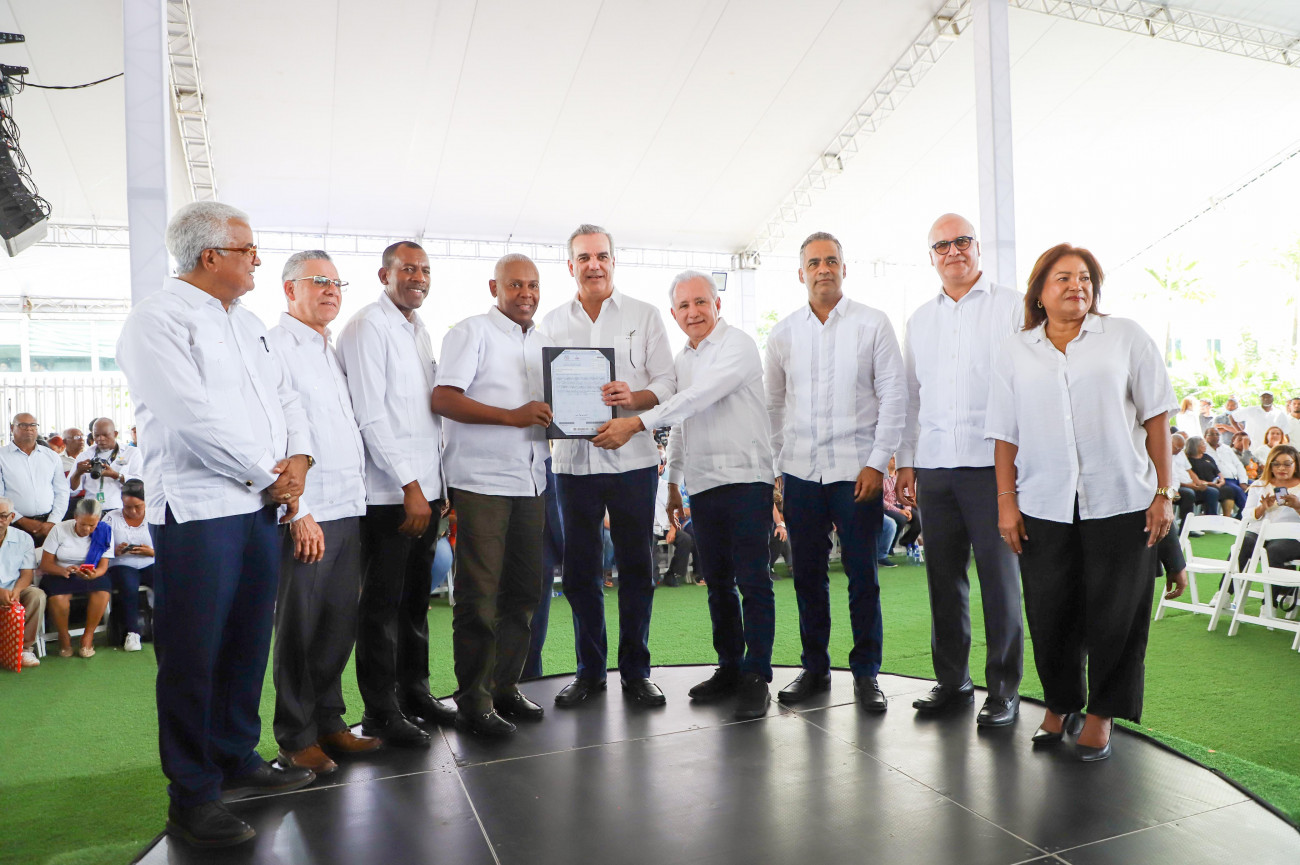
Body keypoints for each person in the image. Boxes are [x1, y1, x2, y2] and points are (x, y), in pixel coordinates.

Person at [116, 201, 316, 847]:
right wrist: (267, 474)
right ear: (211, 256)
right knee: (193, 654)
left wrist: (299, 458)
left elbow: (286, 396)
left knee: (247, 642)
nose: (257, 259)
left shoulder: (248, 322)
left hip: (258, 507)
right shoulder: (156, 320)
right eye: (248, 249)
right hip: (199, 510)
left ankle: (235, 756)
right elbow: (189, 416)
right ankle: (192, 794)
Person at [989, 243, 1175, 762]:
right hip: (1043, 503)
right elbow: (1004, 434)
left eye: (1086, 278)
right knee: (1050, 612)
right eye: (1064, 278)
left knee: (1117, 616)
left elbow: (1157, 417)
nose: (1077, 286)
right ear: (1039, 292)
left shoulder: (1125, 337)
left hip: (1121, 499)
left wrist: (1164, 492)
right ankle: (1061, 704)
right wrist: (1006, 502)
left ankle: (1101, 714)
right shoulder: (1015, 351)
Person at [595, 270, 776, 720]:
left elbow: (696, 399)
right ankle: (729, 667)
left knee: (753, 582)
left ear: (718, 305)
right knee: (718, 584)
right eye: (683, 306)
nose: (693, 312)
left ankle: (756, 675)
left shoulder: (738, 345)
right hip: (704, 484)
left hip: (747, 479)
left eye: (701, 302)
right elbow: (681, 421)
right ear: (673, 314)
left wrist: (636, 422)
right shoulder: (682, 358)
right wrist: (674, 481)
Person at [765, 231, 905, 712]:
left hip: (857, 473)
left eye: (831, 261)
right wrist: (778, 468)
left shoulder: (873, 323)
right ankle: (815, 669)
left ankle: (867, 674)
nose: (823, 269)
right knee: (807, 576)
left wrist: (876, 462)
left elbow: (893, 396)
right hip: (801, 472)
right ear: (800, 273)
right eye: (814, 262)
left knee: (863, 575)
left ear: (844, 268)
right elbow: (773, 405)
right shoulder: (783, 333)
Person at [540, 225, 677, 709]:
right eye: (583, 257)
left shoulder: (645, 314)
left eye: (601, 256)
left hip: (633, 459)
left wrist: (631, 398)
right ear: (570, 265)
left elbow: (667, 383)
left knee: (636, 567)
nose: (593, 264)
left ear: (613, 261)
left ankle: (636, 672)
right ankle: (590, 672)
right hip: (572, 463)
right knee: (580, 573)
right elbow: (541, 387)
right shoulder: (551, 322)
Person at [896, 213, 1025, 726]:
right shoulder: (919, 320)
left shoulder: (1012, 306)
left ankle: (1004, 691)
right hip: (934, 468)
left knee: (999, 581)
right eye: (942, 245)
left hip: (992, 467)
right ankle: (953, 683)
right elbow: (910, 397)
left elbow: (1027, 385)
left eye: (962, 241)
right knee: (943, 581)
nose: (953, 251)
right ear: (931, 257)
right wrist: (907, 461)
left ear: (978, 246)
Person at [337, 240, 455, 745]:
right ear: (384, 274)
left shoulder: (419, 329)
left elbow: (426, 418)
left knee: (414, 602)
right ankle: (381, 710)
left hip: (425, 491)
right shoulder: (368, 326)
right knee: (381, 608)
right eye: (408, 269)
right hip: (390, 495)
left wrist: (438, 488)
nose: (418, 278)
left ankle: (415, 693)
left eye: (425, 270)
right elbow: (370, 416)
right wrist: (410, 486)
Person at [430, 254, 552, 737]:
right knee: (479, 595)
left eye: (533, 285)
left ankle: (505, 687)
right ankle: (474, 701)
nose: (526, 293)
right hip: (481, 480)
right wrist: (511, 417)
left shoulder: (542, 342)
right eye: (515, 284)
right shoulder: (470, 332)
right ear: (493, 287)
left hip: (532, 479)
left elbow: (550, 409)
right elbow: (443, 398)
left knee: (524, 592)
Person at [267, 250, 378, 776]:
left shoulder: (329, 349)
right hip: (309, 512)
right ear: (290, 289)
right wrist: (298, 510)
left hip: (347, 505)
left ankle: (330, 721)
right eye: (319, 281)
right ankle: (295, 736)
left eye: (337, 282)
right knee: (301, 627)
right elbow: (280, 436)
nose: (332, 290)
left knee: (337, 624)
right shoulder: (274, 346)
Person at [38, 498, 113, 658]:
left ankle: (88, 636)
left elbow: (103, 566)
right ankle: (64, 637)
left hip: (89, 572)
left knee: (102, 592)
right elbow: (45, 564)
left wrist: (94, 574)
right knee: (58, 598)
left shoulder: (105, 531)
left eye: (92, 525)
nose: (87, 529)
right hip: (60, 573)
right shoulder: (59, 529)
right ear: (75, 517)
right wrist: (62, 570)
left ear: (98, 521)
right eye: (83, 524)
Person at [1234, 445, 1300, 607]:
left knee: (1274, 550)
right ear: (1270, 465)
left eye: (1287, 464)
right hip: (1259, 531)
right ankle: (1225, 594)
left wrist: (1298, 506)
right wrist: (1262, 508)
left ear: (1296, 464)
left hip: (1291, 536)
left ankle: (1270, 603)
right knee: (1244, 542)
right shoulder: (1260, 484)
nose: (1281, 468)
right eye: (1276, 464)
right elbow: (1246, 514)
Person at [0, 412, 70, 547]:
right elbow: (0, 497)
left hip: (48, 526)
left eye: (33, 425)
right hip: (14, 524)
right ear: (12, 428)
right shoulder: (2, 456)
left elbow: (62, 491)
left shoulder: (51, 456)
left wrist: (53, 522)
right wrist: (21, 520)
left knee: (45, 560)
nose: (29, 429)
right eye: (23, 425)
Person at [104, 479, 154, 652]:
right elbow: (100, 546)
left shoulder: (155, 515)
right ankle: (132, 632)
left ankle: (164, 625)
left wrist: (152, 552)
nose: (132, 511)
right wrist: (115, 551)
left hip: (150, 561)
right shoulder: (111, 518)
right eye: (127, 507)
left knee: (166, 581)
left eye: (138, 507)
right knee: (128, 585)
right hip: (122, 563)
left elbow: (171, 545)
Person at [0, 496, 43, 668]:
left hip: (14, 588)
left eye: (3, 516)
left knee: (36, 595)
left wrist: (16, 592)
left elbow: (27, 573)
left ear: (12, 517)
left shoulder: (24, 538)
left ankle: (24, 649)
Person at [69, 418, 143, 512]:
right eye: (96, 435)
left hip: (121, 511)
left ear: (115, 434)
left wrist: (115, 475)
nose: (100, 439)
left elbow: (139, 484)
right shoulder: (84, 456)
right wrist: (78, 473)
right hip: (91, 512)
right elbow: (73, 491)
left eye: (105, 435)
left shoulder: (132, 453)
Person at [1205, 426, 1248, 516]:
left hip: (1236, 478)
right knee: (1238, 491)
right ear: (1205, 436)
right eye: (1212, 434)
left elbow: (1238, 464)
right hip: (1223, 480)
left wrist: (1243, 481)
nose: (1215, 436)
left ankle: (1241, 517)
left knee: (1255, 486)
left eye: (1217, 434)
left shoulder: (1225, 448)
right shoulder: (1204, 450)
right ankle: (1246, 516)